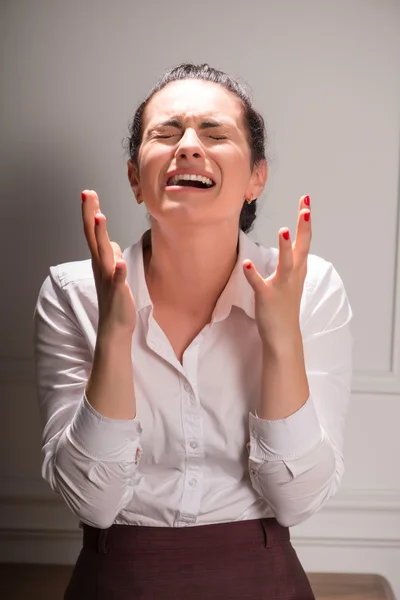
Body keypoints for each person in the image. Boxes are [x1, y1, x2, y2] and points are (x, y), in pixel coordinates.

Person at [33, 63, 353, 599]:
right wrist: (114, 334)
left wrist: (281, 341)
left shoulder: (311, 287)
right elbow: (93, 503)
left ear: (257, 177)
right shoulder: (72, 293)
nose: (187, 146)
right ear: (136, 178)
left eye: (213, 133)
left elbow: (298, 501)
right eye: (165, 133)